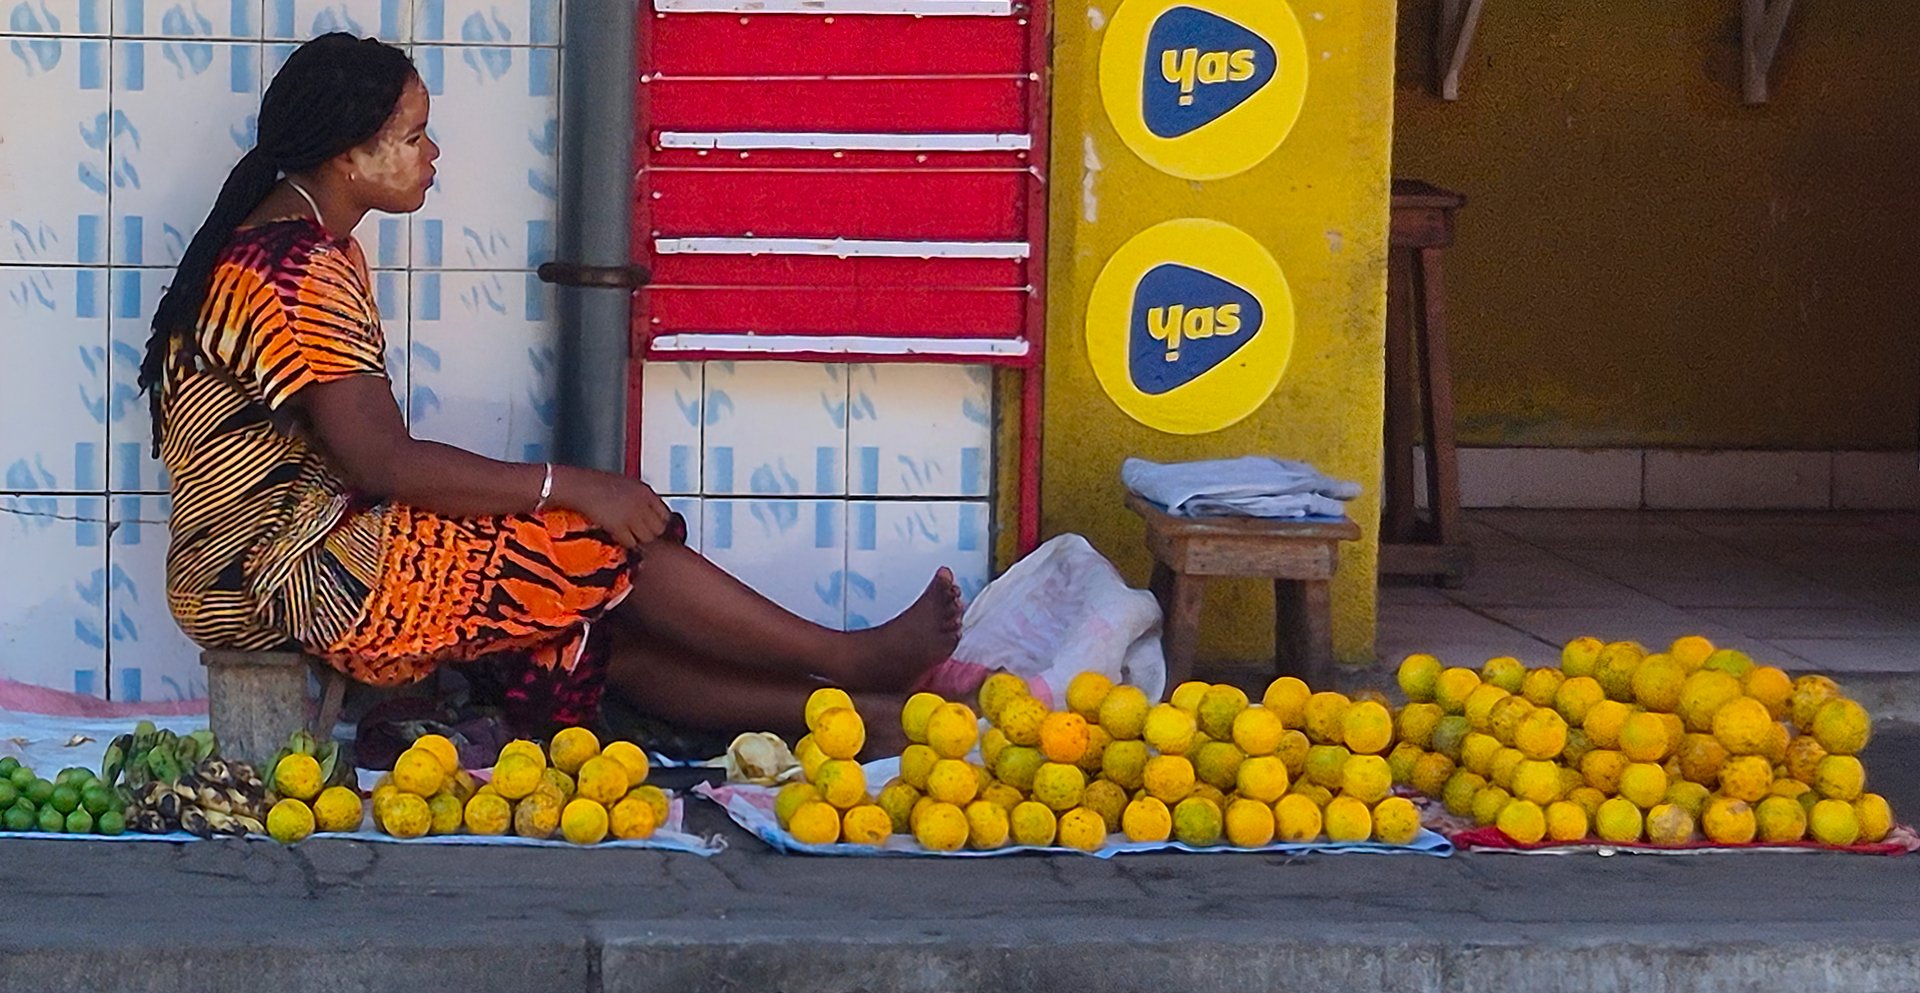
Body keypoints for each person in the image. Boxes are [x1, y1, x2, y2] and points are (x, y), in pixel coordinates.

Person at [139, 33, 961, 745]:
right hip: (280, 573)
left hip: (302, 545)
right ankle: (846, 656)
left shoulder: (301, 244)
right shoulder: (291, 271)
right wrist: (569, 485)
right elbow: (383, 461)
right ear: (349, 155)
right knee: (597, 540)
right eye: (415, 136)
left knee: (577, 623)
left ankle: (862, 714)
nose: (434, 155)